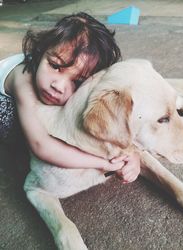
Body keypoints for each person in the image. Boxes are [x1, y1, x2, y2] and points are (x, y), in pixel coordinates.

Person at [0, 12, 140, 183]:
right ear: (41, 51)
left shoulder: (85, 85)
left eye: (78, 81)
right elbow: (40, 145)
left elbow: (115, 119)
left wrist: (130, 154)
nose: (58, 86)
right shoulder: (23, 77)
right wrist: (104, 163)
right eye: (55, 66)